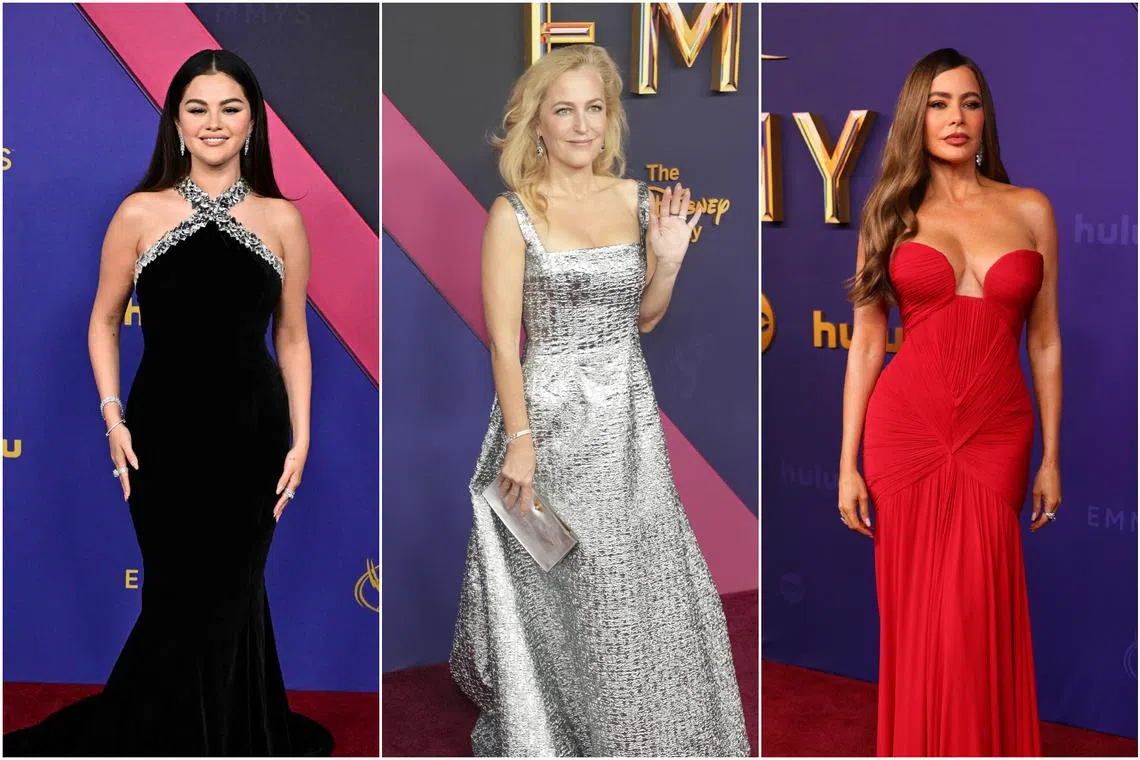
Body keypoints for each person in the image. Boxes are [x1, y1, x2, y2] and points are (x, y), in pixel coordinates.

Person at [4, 50, 332, 756]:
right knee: (179, 596)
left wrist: (302, 438)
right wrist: (112, 416)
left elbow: (295, 340)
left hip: (253, 434)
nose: (214, 123)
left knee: (236, 589)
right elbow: (102, 320)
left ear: (253, 123)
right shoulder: (139, 212)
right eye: (197, 108)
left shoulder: (282, 220)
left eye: (230, 108)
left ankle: (228, 734)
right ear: (177, 122)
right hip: (162, 430)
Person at [448, 44, 750, 757]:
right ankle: (566, 730)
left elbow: (642, 318)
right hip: (548, 423)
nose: (582, 126)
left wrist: (668, 261)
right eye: (564, 110)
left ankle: (639, 734)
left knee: (631, 582)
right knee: (569, 586)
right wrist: (520, 440)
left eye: (594, 109)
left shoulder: (638, 199)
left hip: (625, 422)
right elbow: (501, 341)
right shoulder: (513, 213)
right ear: (538, 124)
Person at [838, 48, 1060, 756]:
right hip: (908, 433)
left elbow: (1046, 343)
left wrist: (1053, 455)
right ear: (916, 115)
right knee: (920, 616)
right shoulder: (890, 210)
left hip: (998, 432)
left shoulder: (1029, 209)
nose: (955, 118)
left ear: (985, 115)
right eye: (938, 103)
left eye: (968, 102)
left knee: (976, 612)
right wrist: (846, 463)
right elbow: (868, 342)